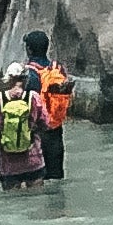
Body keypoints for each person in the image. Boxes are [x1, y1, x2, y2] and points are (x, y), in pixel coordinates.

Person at [0, 58, 48, 192]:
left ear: (8, 80)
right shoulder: (33, 97)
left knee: (12, 203)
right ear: (25, 79)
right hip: (33, 160)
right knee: (36, 199)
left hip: (8, 165)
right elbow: (46, 123)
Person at [28, 28, 74, 183]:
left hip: (36, 134)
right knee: (56, 179)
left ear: (28, 49)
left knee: (37, 182)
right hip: (56, 132)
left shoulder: (29, 73)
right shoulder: (57, 69)